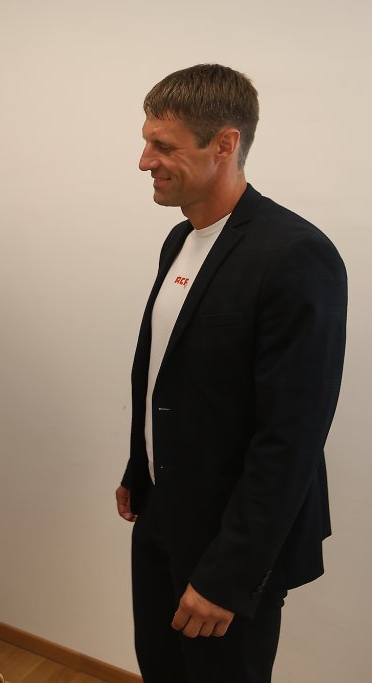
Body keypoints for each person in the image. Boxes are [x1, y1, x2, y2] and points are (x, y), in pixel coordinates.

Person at [116, 64, 347, 682]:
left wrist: (229, 575)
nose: (144, 161)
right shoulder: (179, 240)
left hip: (230, 544)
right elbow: (169, 374)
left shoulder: (296, 255)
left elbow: (291, 438)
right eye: (146, 141)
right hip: (162, 516)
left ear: (224, 144)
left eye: (163, 146)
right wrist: (140, 468)